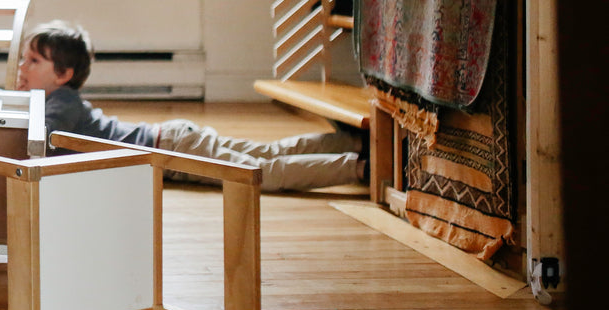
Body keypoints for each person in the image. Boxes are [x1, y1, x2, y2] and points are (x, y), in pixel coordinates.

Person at [18, 21, 365, 192]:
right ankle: (349, 144)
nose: (22, 68)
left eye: (33, 61)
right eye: (23, 59)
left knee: (262, 174)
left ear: (63, 74)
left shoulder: (60, 103)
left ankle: (358, 168)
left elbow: (37, 144)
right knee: (266, 153)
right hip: (173, 139)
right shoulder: (61, 100)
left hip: (172, 149)